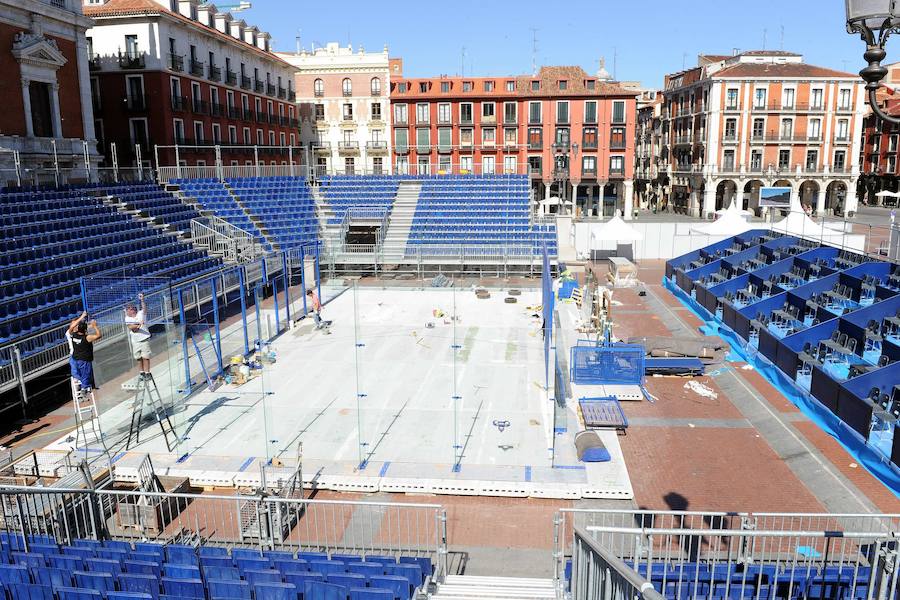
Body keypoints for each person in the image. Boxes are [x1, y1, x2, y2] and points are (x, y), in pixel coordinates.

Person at [67, 312, 101, 391]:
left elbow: (72, 327)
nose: (75, 325)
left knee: (80, 374)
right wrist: (95, 326)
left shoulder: (73, 334)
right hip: (82, 359)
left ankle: (83, 385)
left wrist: (87, 321)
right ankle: (84, 388)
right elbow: (99, 335)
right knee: (85, 374)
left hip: (76, 357)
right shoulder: (86, 338)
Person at [125, 293, 152, 378]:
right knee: (138, 357)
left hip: (144, 339)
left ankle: (147, 373)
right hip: (135, 341)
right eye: (127, 310)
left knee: (145, 357)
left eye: (128, 310)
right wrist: (139, 324)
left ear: (133, 310)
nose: (127, 311)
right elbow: (132, 327)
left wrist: (142, 300)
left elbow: (144, 309)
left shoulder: (140, 314)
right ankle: (141, 372)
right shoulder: (127, 318)